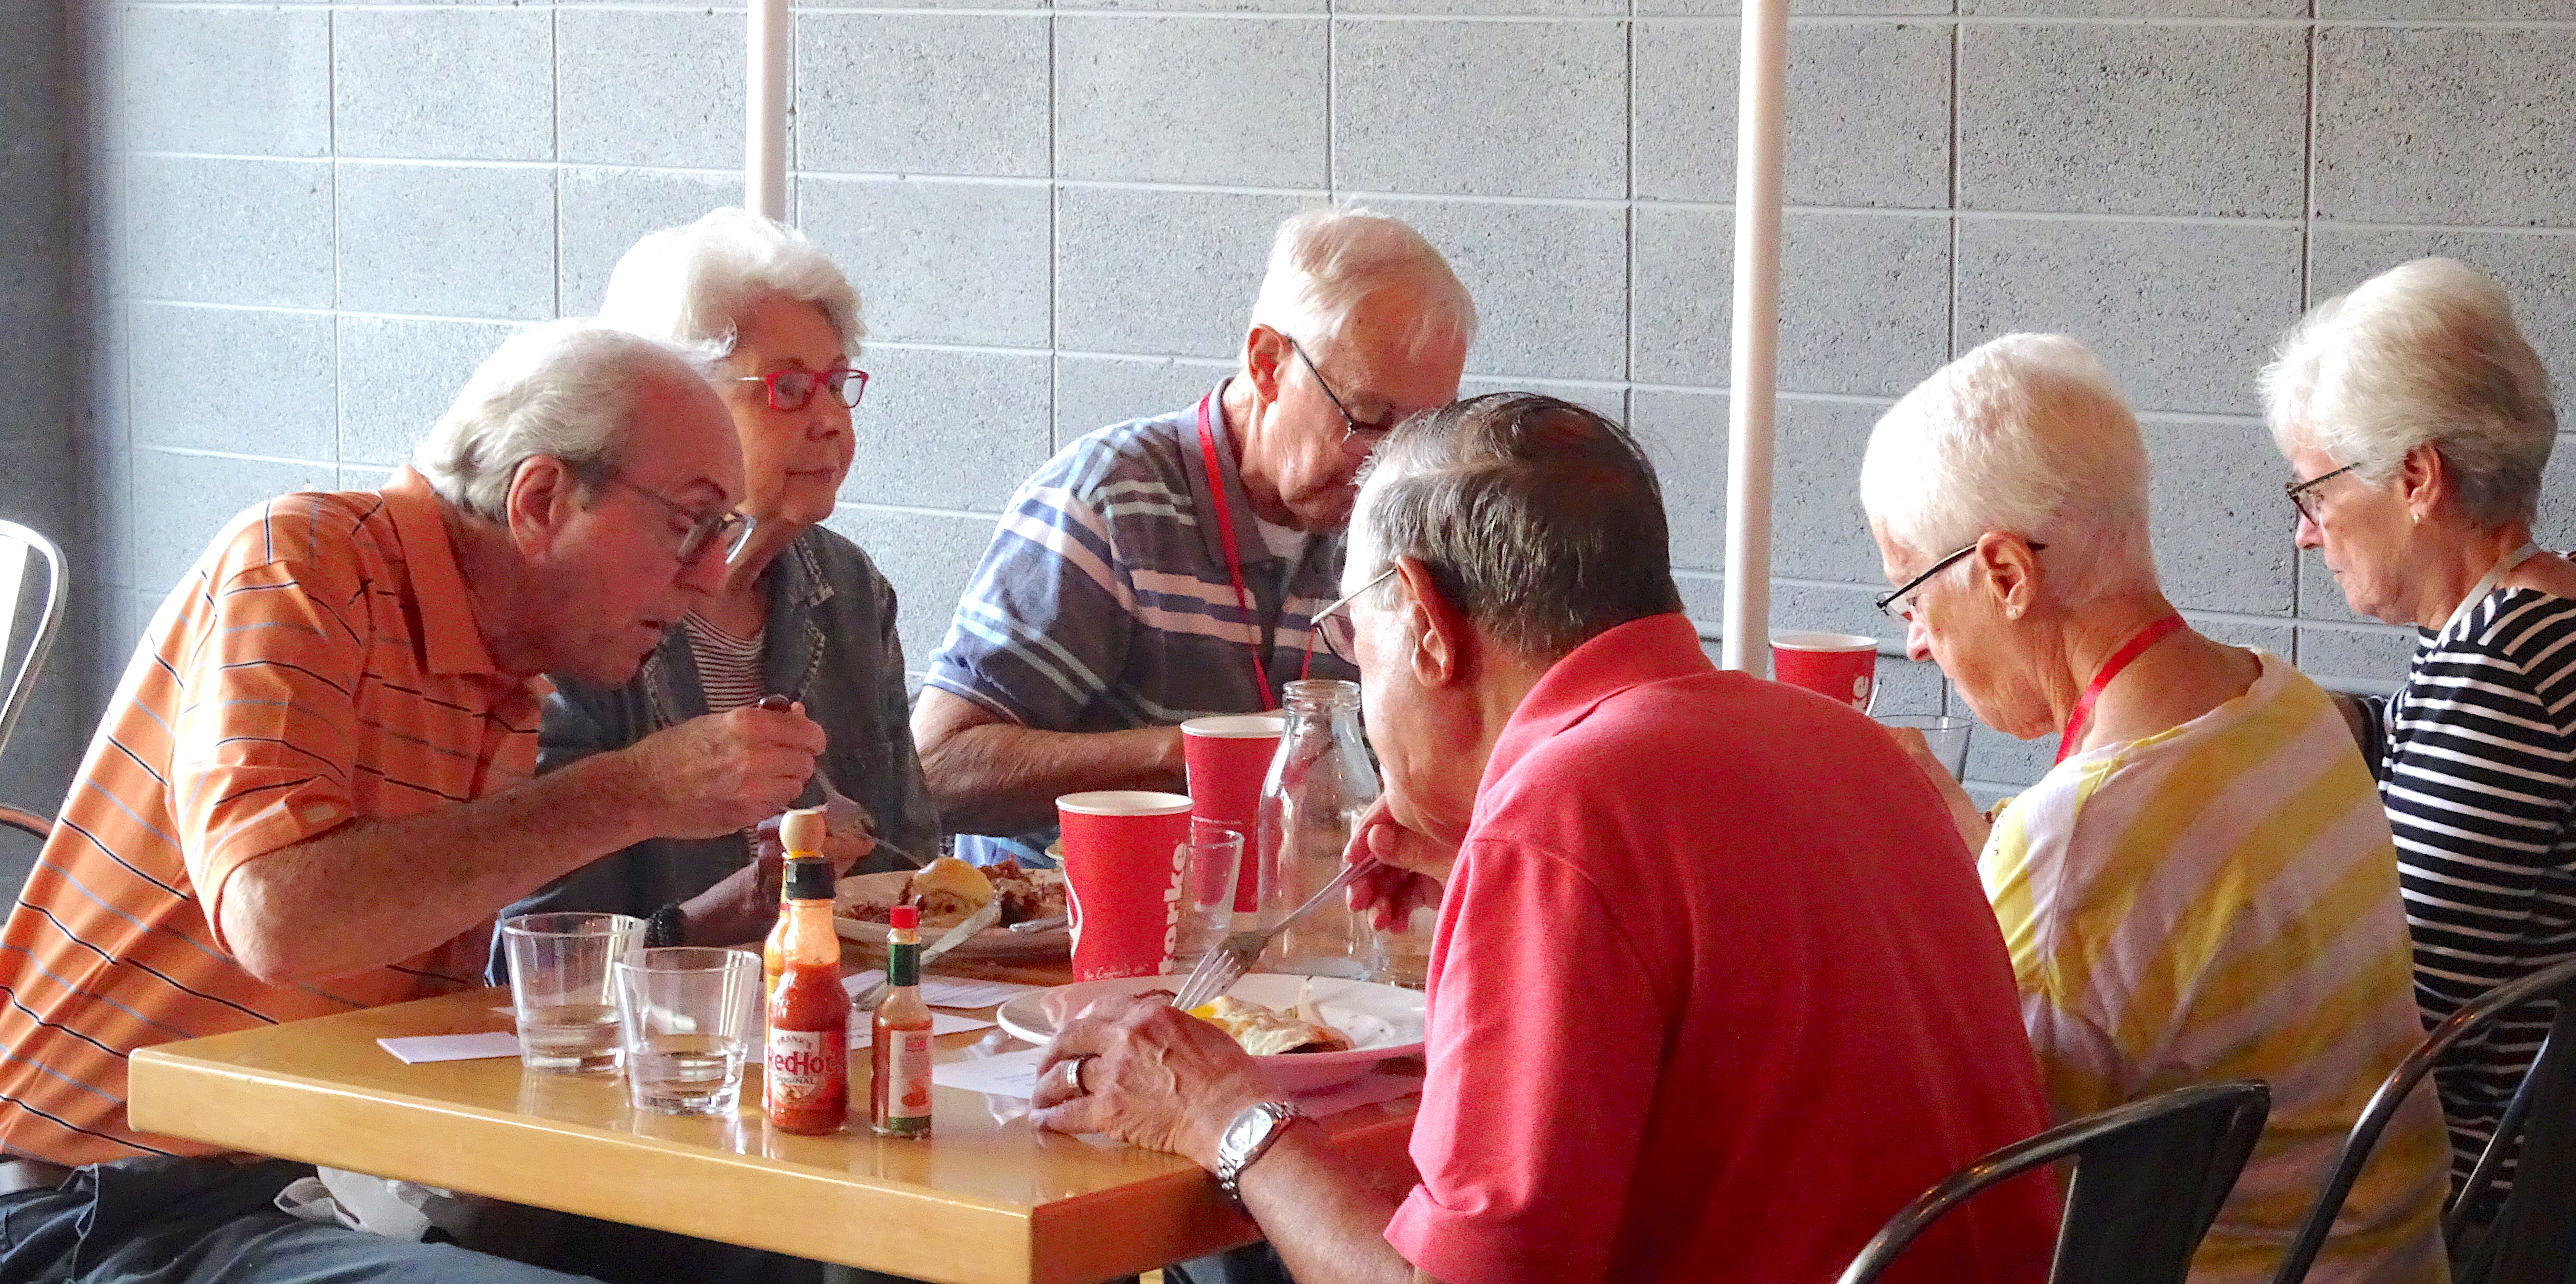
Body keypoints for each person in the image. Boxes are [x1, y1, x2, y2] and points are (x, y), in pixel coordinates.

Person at [1029, 394, 2061, 1284]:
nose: (1362, 684)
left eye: (1360, 639)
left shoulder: (1567, 811)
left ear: (1429, 623)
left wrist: (1220, 1110)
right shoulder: (1850, 743)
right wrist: (1479, 875)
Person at [0, 323, 828, 1282]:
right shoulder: (301, 564)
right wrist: (634, 789)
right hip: (105, 1197)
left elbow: (410, 1004)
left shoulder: (507, 674)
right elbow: (280, 918)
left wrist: (701, 923)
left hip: (334, 1180)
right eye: (690, 523)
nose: (709, 578)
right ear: (541, 499)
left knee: (775, 1249)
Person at [1861, 333, 2449, 1283]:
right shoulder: (2289, 705)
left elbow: (1985, 1205)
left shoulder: (2074, 850)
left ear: (2006, 573)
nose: (1919, 645)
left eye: (1913, 600)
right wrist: (1995, 856)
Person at [914, 207, 1475, 864]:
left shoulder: (1396, 514)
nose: (1387, 464)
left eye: (1418, 432)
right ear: (1267, 364)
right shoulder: (1108, 501)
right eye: (1368, 418)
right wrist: (1186, 757)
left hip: (1287, 925)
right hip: (1063, 938)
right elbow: (936, 768)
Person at [505, 209, 935, 955]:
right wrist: (734, 910)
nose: (831, 419)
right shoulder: (590, 608)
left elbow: (913, 871)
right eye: (791, 389)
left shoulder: (849, 589)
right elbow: (539, 965)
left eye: (838, 385)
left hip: (833, 1018)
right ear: (676, 403)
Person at [2262, 256, 2576, 1198]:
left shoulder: (2498, 665)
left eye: (2314, 494)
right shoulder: (2542, 609)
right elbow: (2403, 735)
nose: (2306, 534)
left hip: (2478, 1196)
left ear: (2415, 477)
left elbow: (2396, 999)